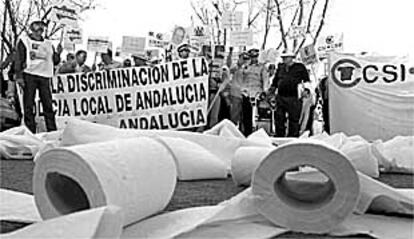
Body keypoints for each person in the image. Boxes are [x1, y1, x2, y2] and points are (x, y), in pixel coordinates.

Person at [14, 20, 62, 133]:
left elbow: (54, 61)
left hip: (44, 76)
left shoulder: (48, 44)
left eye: (41, 29)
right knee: (29, 104)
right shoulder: (24, 41)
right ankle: (30, 130)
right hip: (29, 75)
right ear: (31, 29)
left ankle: (52, 130)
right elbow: (18, 58)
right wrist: (19, 75)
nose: (39, 32)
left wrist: (58, 53)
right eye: (36, 29)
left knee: (48, 104)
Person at [268, 51, 310, 137]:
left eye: (286, 57)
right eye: (283, 57)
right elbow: (275, 81)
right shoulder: (280, 68)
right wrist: (271, 91)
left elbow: (306, 80)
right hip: (281, 96)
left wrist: (306, 90)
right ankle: (280, 135)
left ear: (291, 58)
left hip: (294, 97)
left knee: (294, 119)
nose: (284, 59)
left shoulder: (300, 67)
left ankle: (293, 136)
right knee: (279, 117)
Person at [241, 48, 268, 136]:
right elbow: (240, 78)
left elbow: (265, 80)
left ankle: (258, 133)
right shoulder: (245, 66)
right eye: (252, 57)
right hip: (246, 92)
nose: (253, 59)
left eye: (255, 56)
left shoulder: (262, 67)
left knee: (258, 114)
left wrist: (264, 91)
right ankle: (247, 133)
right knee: (246, 115)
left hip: (257, 93)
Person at [227, 52, 249, 127]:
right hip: (236, 93)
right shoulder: (235, 67)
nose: (244, 60)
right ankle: (233, 127)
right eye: (243, 58)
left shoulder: (249, 68)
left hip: (246, 94)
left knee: (245, 115)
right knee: (234, 114)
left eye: (246, 58)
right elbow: (229, 68)